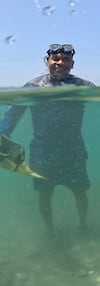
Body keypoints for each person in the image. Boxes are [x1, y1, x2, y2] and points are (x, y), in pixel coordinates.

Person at [0, 44, 95, 234]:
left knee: (80, 192)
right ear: (47, 62)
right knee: (44, 194)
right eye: (56, 59)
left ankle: (83, 225)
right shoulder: (33, 87)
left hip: (73, 150)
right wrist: (2, 135)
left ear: (72, 64)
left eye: (65, 59)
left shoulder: (85, 87)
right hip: (42, 152)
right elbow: (14, 113)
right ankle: (49, 230)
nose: (60, 63)